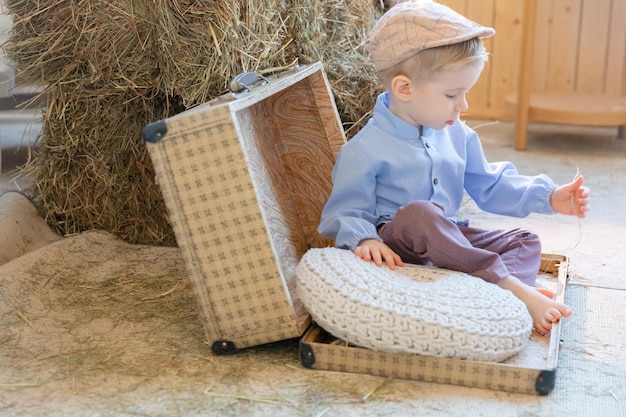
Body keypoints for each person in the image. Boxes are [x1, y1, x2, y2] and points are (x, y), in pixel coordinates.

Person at [318, 0, 590, 335]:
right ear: (404, 89)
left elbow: (490, 184)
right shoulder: (363, 150)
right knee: (422, 213)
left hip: (448, 237)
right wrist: (363, 240)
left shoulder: (458, 134)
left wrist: (549, 197)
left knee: (525, 241)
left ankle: (496, 296)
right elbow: (344, 210)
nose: (464, 105)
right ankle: (513, 289)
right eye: (452, 94)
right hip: (400, 242)